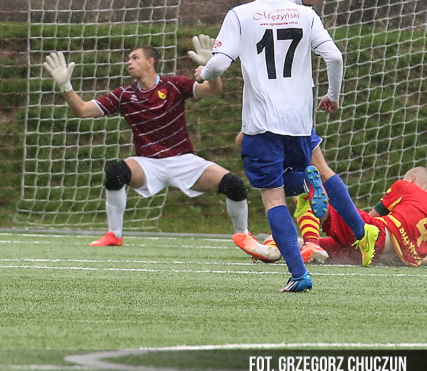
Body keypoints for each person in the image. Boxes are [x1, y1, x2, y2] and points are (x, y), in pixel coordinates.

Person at [196, 0, 379, 293]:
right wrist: (333, 95)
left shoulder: (240, 15)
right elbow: (335, 56)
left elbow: (219, 65)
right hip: (300, 123)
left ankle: (299, 273)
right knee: (300, 178)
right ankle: (310, 191)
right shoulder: (305, 13)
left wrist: (203, 73)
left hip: (263, 124)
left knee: (272, 197)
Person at [43, 41, 275, 260]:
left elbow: (213, 89)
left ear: (150, 62)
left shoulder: (174, 85)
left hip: (183, 161)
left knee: (234, 185)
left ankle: (244, 236)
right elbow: (82, 110)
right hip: (148, 164)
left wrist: (210, 69)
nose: (129, 62)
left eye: (135, 57)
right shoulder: (124, 95)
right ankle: (114, 234)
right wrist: (65, 86)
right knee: (116, 173)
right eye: (129, 59)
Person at [312, 167, 427, 268]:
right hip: (378, 257)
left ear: (412, 179)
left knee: (338, 215)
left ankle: (314, 193)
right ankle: (305, 245)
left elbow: (372, 216)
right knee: (324, 250)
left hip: (377, 235)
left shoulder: (406, 186)